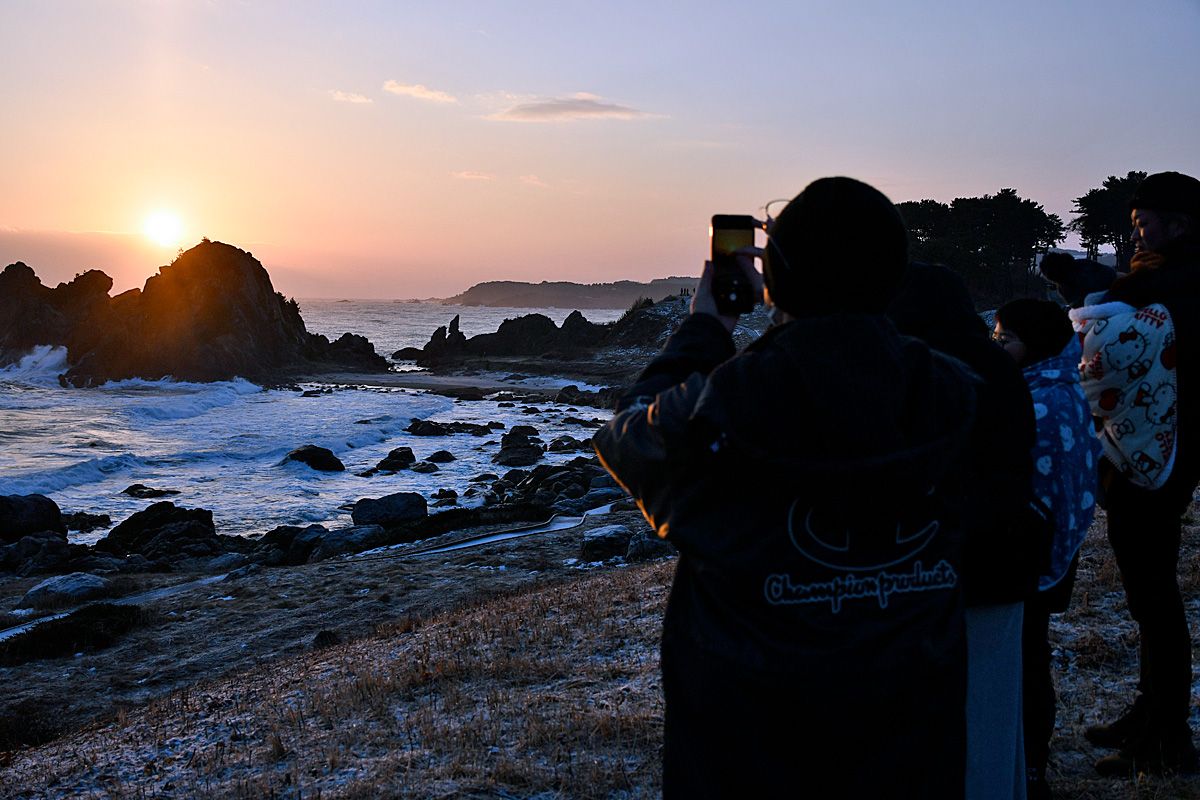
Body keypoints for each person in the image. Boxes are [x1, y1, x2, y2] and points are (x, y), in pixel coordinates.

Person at [593, 177, 977, 798]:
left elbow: (628, 440)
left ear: (774, 280)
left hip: (746, 743)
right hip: (912, 741)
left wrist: (706, 328)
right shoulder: (956, 393)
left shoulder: (730, 397)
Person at [888, 263, 1040, 800]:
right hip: (1001, 564)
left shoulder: (911, 369)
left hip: (927, 569)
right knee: (994, 708)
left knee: (931, 719)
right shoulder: (998, 368)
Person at [1070, 170, 1200, 776]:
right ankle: (1151, 712)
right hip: (1151, 442)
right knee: (1149, 592)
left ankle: (1167, 737)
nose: (1138, 230)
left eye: (1145, 221)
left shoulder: (1182, 276)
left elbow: (1153, 316)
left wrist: (1108, 286)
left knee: (1154, 593)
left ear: (1179, 224)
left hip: (1162, 448)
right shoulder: (1164, 271)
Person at [993, 298, 1099, 799]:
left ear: (1032, 345)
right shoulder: (1059, 386)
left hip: (1030, 552)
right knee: (1031, 655)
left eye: (1005, 338)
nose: (997, 347)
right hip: (1048, 548)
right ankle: (1030, 761)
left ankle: (1030, 764)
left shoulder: (1038, 400)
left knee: (1027, 658)